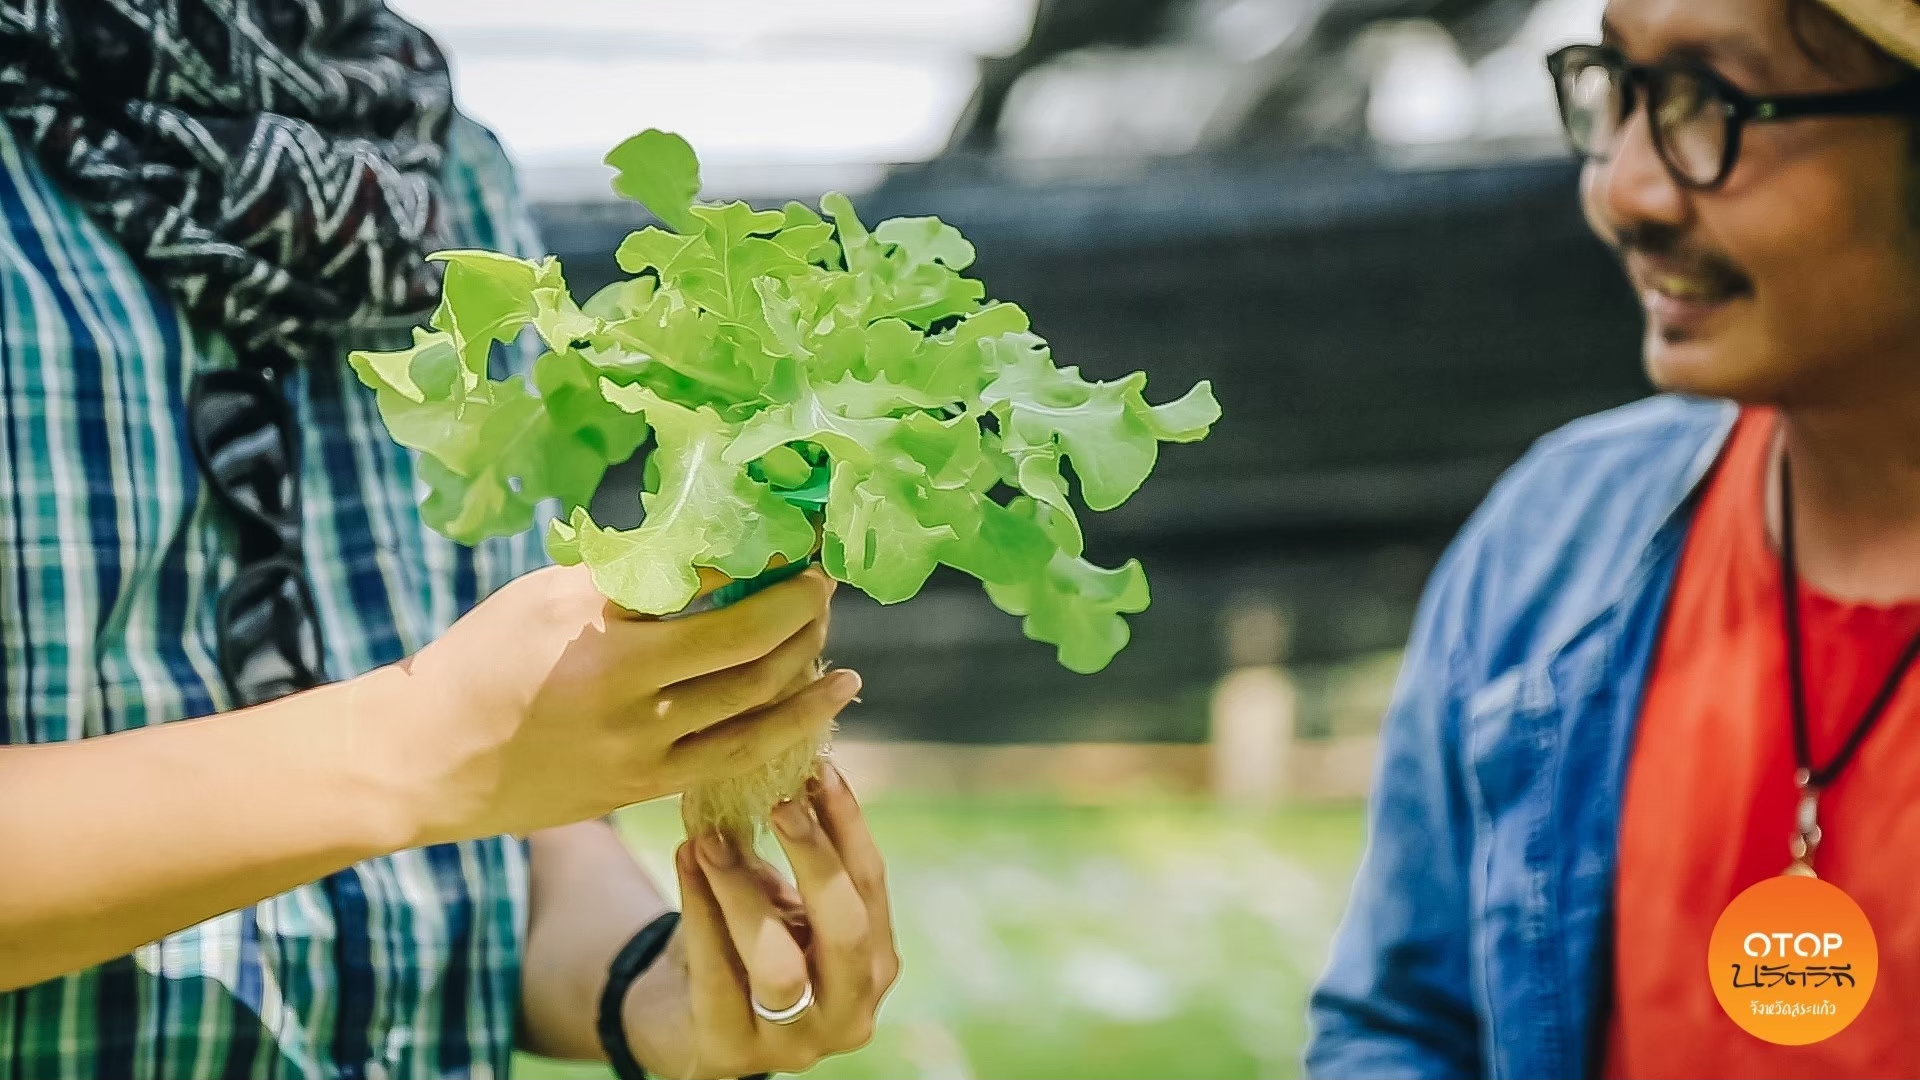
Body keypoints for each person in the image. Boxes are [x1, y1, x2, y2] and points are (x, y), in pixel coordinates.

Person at [0, 3, 894, 1079]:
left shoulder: (432, 153)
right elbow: (437, 762)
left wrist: (650, 987)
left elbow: (486, 849)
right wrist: (418, 745)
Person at [1307, 0, 1920, 1075]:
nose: (1623, 192)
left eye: (1710, 103)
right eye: (1620, 90)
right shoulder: (1557, 541)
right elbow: (1402, 1029)